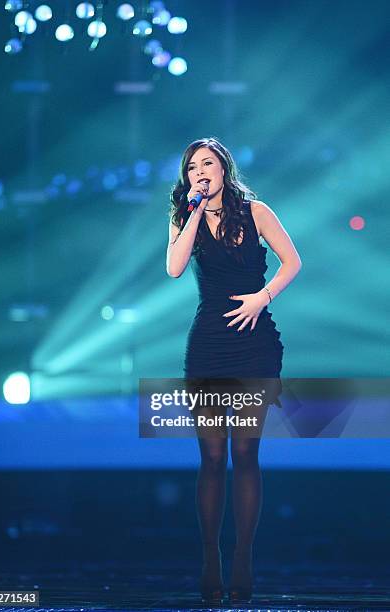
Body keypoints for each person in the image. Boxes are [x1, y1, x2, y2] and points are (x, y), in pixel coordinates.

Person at [166, 137, 302, 605]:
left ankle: (243, 557)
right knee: (210, 458)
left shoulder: (256, 211)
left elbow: (292, 261)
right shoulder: (185, 215)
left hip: (253, 346)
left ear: (224, 168)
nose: (200, 171)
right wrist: (194, 212)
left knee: (244, 455)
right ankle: (210, 559)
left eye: (207, 164)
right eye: (192, 168)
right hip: (208, 346)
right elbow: (174, 268)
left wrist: (261, 298)